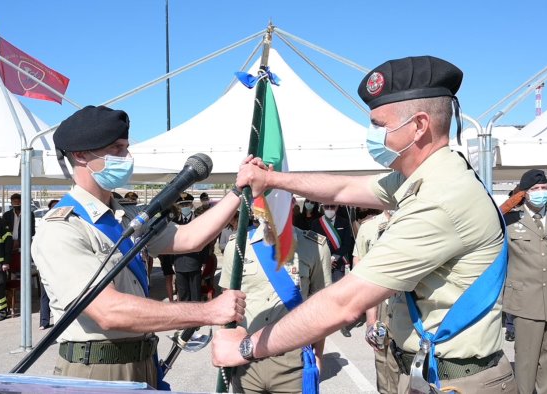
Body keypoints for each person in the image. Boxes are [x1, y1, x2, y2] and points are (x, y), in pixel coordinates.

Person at [213, 56, 516, 393]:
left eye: (378, 123)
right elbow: (345, 188)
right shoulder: (426, 176)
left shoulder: (441, 198)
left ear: (418, 125)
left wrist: (246, 347)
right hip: (430, 373)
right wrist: (271, 178)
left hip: (456, 382)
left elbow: (346, 303)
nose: (371, 134)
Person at [31, 105, 246, 388]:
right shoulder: (61, 227)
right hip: (98, 370)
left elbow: (188, 238)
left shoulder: (125, 214)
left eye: (126, 148)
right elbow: (109, 311)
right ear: (81, 155)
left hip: (142, 362)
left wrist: (239, 191)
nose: (127, 157)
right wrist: (208, 311)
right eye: (117, 149)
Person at [219, 201, 332, 393]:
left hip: (293, 362)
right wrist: (226, 357)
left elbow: (322, 309)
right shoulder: (237, 246)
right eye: (266, 201)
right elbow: (225, 308)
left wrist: (318, 357)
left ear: (292, 204)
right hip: (246, 360)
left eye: (279, 200)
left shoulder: (315, 247)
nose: (272, 209)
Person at [501, 169, 547, 394]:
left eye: (544, 187)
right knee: (526, 360)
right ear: (524, 193)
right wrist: (506, 206)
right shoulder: (509, 220)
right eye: (534, 189)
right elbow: (483, 223)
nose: (540, 192)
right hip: (525, 300)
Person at [355, 210, 401, 394]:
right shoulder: (369, 228)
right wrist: (370, 320)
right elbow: (363, 277)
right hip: (381, 301)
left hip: (411, 303)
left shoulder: (417, 220)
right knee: (383, 363)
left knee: (408, 364)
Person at [311, 203, 353, 283]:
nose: (329, 209)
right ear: (323, 207)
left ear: (337, 207)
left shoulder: (344, 223)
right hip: (321, 264)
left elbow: (347, 244)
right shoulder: (315, 223)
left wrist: (333, 258)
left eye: (332, 206)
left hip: (338, 264)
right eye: (327, 206)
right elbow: (313, 245)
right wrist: (326, 260)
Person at [39, 199, 60, 330]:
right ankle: (44, 321)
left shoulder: (67, 223)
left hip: (60, 264)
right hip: (46, 263)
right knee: (45, 294)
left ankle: (60, 321)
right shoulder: (44, 224)